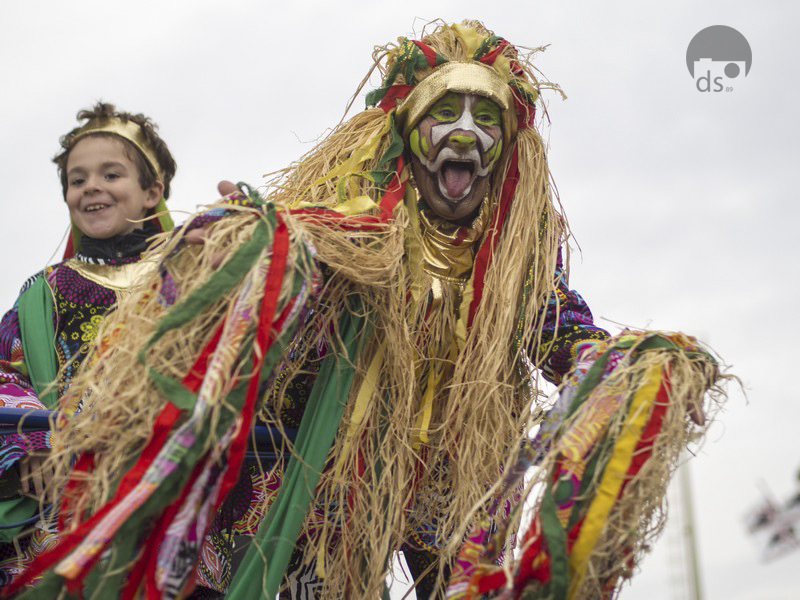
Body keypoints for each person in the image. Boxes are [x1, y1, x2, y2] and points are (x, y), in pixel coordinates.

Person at [6, 22, 722, 600]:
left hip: (456, 491)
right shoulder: (353, 235)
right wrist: (249, 247)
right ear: (407, 131)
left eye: (486, 116)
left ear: (507, 143)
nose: (465, 133)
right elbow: (273, 304)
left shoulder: (514, 268)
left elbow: (568, 340)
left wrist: (629, 371)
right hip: (334, 484)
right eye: (446, 112)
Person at [0, 102, 176, 586]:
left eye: (111, 174)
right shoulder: (45, 291)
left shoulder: (193, 273)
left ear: (152, 192)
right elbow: (4, 372)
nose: (91, 187)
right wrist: (32, 436)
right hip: (66, 503)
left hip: (172, 490)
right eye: (77, 181)